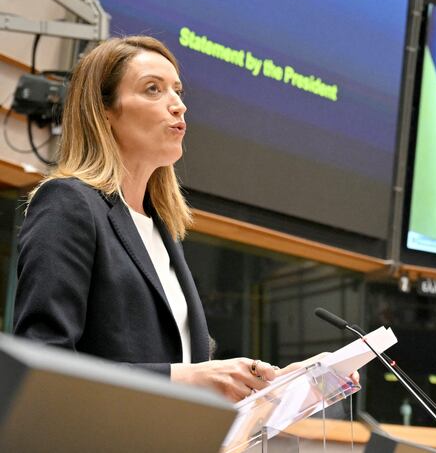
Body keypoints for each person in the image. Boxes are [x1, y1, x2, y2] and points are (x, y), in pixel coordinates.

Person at [12, 36, 316, 402]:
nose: (178, 106)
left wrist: (270, 385)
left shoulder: (161, 229)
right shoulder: (68, 203)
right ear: (104, 110)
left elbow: (178, 365)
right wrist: (185, 378)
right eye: (153, 89)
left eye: (178, 90)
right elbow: (44, 361)